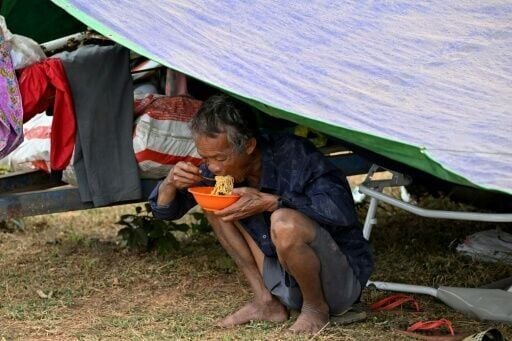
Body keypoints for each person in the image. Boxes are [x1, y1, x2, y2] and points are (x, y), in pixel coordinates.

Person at [149, 94, 373, 334]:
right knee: (214, 203)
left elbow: (341, 212)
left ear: (249, 145)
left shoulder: (296, 155)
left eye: (220, 158)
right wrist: (170, 183)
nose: (213, 167)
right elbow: (165, 212)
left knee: (283, 221)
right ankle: (266, 302)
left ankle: (315, 309)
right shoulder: (219, 169)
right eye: (206, 158)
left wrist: (273, 203)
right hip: (284, 281)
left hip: (337, 285)